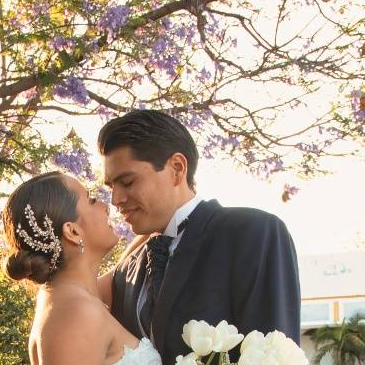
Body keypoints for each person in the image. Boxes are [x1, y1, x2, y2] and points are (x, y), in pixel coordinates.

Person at [96, 110, 301, 365]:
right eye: (111, 187)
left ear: (177, 168)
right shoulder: (125, 272)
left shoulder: (253, 233)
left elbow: (275, 353)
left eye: (127, 182)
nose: (116, 199)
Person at [2, 172, 161, 364]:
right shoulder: (77, 314)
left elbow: (122, 266)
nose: (105, 206)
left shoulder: (67, 295)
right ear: (73, 231)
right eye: (91, 200)